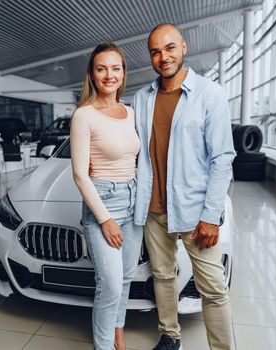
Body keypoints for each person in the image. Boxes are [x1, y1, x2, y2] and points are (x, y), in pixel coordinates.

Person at [133, 23, 236, 350]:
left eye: (169, 48)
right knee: (162, 276)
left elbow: (222, 158)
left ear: (184, 48)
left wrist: (211, 215)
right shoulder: (141, 98)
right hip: (153, 209)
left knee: (214, 289)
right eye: (155, 51)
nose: (163, 57)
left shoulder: (209, 93)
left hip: (195, 212)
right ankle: (169, 335)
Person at [70, 42, 143, 350]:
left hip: (133, 197)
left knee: (125, 278)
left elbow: (138, 158)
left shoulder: (131, 113)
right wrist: (105, 219)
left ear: (123, 73)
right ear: (92, 74)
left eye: (115, 68)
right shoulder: (84, 116)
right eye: (101, 68)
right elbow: (79, 174)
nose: (109, 75)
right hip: (104, 202)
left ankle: (118, 332)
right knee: (110, 284)